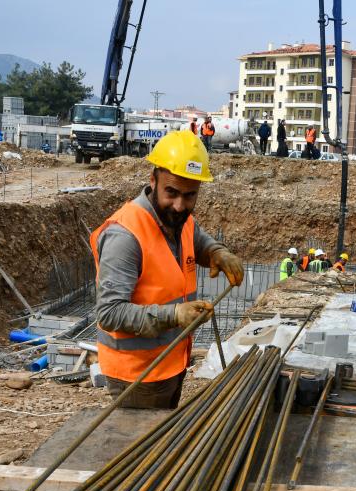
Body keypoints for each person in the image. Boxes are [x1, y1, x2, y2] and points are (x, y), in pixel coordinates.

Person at [90, 130, 245, 409]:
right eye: (171, 192)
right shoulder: (125, 236)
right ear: (153, 180)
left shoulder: (179, 219)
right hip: (138, 374)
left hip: (170, 362)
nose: (179, 205)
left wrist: (216, 252)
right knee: (145, 448)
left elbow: (197, 239)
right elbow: (110, 313)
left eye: (190, 195)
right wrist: (174, 314)